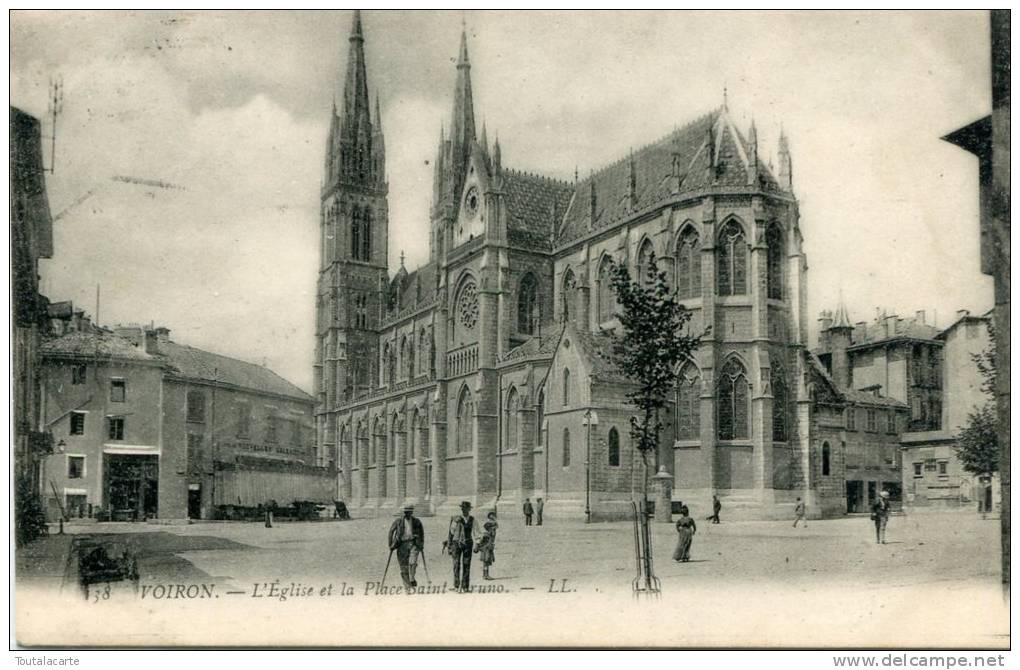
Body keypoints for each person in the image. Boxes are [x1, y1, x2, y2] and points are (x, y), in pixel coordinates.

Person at [445, 500, 482, 592]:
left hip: (468, 543)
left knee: (466, 564)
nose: (463, 510)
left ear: (469, 509)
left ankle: (465, 586)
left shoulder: (473, 520)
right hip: (456, 543)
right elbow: (451, 532)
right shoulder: (456, 519)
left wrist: (477, 544)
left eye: (465, 508)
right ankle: (456, 585)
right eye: (462, 508)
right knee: (456, 564)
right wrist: (450, 545)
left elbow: (477, 532)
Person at [388, 504, 425, 588]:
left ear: (412, 512)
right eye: (406, 512)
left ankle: (412, 578)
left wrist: (421, 544)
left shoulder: (416, 521)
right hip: (401, 545)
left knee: (413, 562)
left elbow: (421, 533)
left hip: (413, 544)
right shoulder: (398, 521)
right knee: (403, 567)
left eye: (409, 512)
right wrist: (390, 544)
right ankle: (407, 586)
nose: (407, 513)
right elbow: (391, 531)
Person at [475, 511, 499, 580]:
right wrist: (478, 545)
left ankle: (485, 575)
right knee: (486, 562)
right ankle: (485, 575)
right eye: (493, 528)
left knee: (487, 562)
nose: (494, 530)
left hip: (488, 548)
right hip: (486, 549)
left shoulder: (490, 532)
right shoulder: (487, 534)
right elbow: (481, 540)